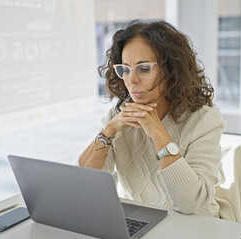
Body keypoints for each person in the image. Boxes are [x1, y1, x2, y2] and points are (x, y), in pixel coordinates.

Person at [79, 20, 224, 217]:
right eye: (125, 69)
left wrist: (157, 132)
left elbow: (189, 204)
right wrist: (108, 132)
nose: (131, 80)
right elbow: (84, 183)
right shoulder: (118, 116)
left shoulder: (204, 120)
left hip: (195, 226)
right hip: (141, 221)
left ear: (171, 69)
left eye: (143, 68)